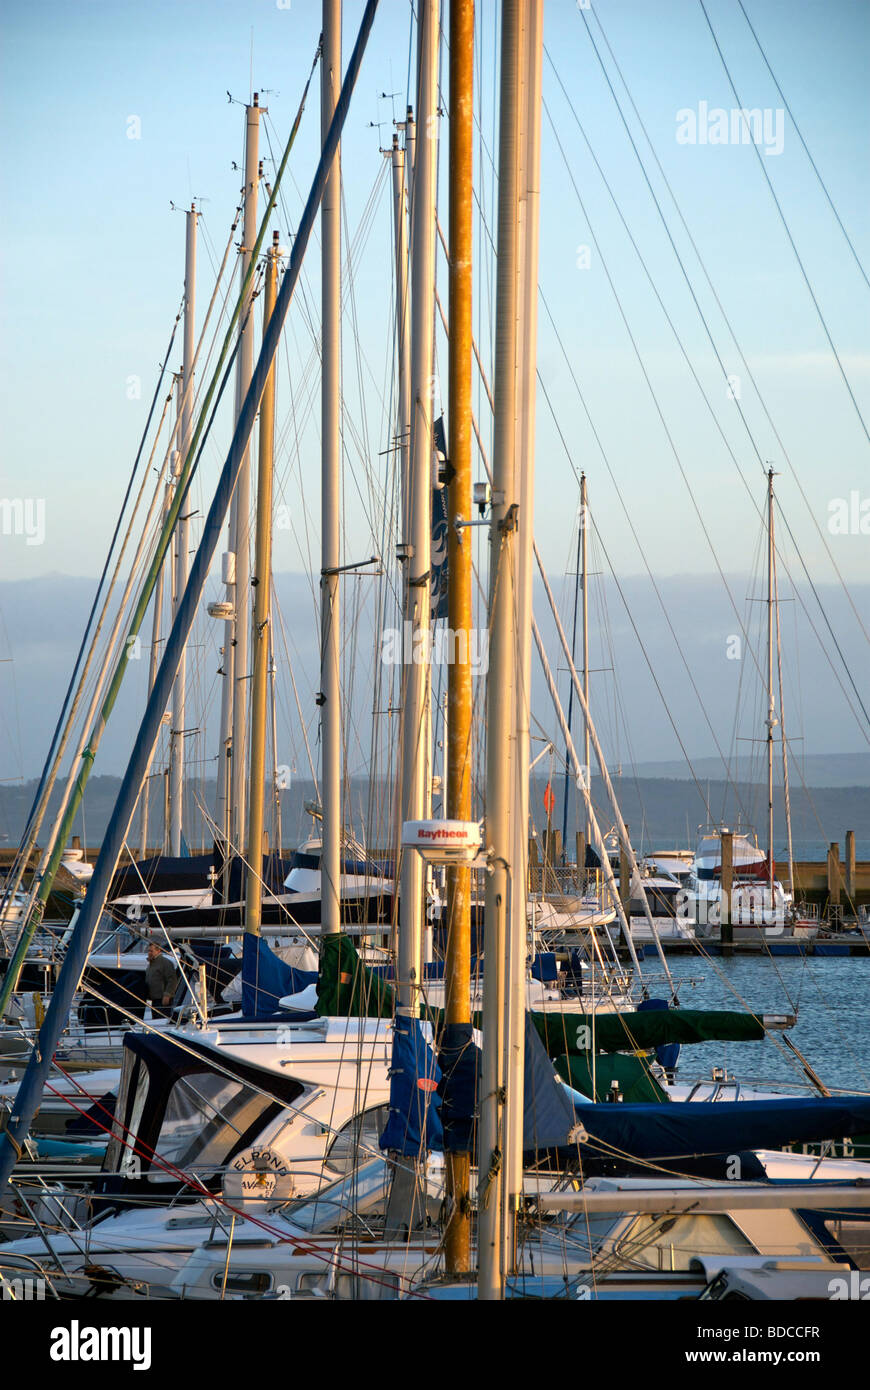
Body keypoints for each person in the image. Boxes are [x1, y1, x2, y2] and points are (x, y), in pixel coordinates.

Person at [144, 943, 178, 1017]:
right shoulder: (151, 964)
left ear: (158, 951)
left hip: (162, 1000)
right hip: (154, 1000)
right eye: (148, 951)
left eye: (151, 951)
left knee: (161, 1019)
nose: (149, 953)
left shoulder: (165, 963)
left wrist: (167, 995)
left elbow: (172, 979)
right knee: (155, 1019)